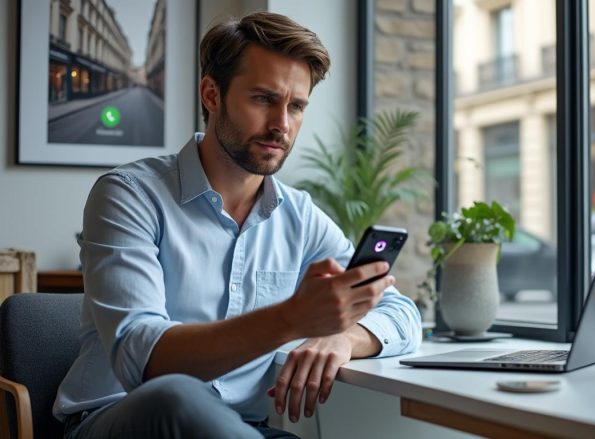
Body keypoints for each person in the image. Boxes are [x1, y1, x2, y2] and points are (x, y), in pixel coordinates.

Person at [54, 11, 422, 439]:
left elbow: (402, 312)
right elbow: (146, 360)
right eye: (264, 99)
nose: (282, 125)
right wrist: (292, 319)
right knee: (175, 397)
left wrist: (343, 338)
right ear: (211, 94)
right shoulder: (128, 195)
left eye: (296, 106)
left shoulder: (299, 217)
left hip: (239, 427)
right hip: (123, 420)